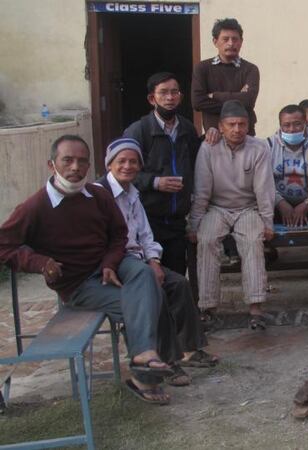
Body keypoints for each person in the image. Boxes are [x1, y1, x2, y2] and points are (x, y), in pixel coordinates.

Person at [0, 135, 176, 404]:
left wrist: (109, 263)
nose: (75, 167)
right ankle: (146, 371)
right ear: (51, 164)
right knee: (148, 300)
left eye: (82, 161)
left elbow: (119, 234)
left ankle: (146, 360)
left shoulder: (97, 195)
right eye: (67, 160)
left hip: (111, 265)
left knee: (144, 274)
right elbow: (4, 245)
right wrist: (40, 263)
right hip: (78, 283)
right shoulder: (35, 206)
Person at [96, 138, 219, 386]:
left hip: (139, 260)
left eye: (133, 162)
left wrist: (153, 261)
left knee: (179, 284)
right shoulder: (99, 194)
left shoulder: (132, 193)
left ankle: (189, 349)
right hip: (116, 265)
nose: (127, 166)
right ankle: (167, 361)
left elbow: (145, 235)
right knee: (156, 294)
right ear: (109, 164)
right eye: (121, 161)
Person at [188, 100, 275, 330]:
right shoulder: (208, 148)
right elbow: (202, 189)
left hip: (247, 208)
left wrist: (267, 222)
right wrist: (195, 224)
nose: (237, 129)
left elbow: (264, 189)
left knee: (253, 241)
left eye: (242, 124)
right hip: (217, 207)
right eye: (231, 124)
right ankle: (208, 308)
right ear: (221, 126)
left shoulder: (259, 148)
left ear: (248, 126)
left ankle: (256, 308)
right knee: (206, 240)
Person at [123, 72, 201, 276]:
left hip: (177, 221)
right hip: (147, 220)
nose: (170, 97)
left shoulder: (187, 129)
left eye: (174, 92)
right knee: (151, 276)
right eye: (163, 92)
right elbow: (122, 173)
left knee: (176, 275)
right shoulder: (138, 131)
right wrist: (155, 182)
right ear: (152, 98)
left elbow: (196, 165)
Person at [191, 18, 259, 144]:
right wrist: (238, 100)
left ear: (241, 42)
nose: (231, 43)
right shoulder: (202, 68)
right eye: (225, 39)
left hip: (245, 137)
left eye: (235, 39)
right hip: (214, 137)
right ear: (215, 41)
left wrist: (215, 95)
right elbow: (198, 102)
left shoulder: (250, 69)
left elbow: (249, 101)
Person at [268, 104, 308, 227]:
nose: (292, 129)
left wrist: (307, 203)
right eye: (286, 125)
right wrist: (280, 203)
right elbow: (263, 182)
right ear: (280, 125)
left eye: (297, 124)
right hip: (277, 205)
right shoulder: (269, 145)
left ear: (305, 123)